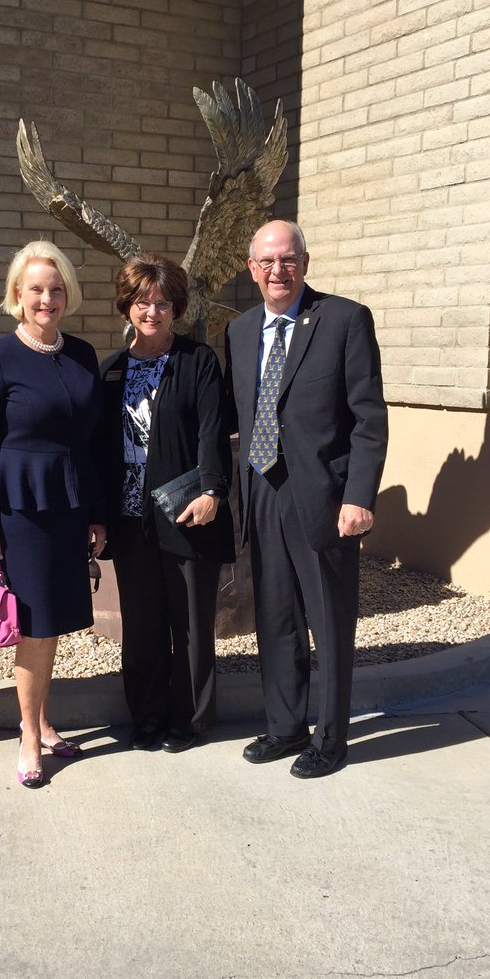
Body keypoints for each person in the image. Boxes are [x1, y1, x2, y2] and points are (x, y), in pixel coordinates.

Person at [224, 220, 388, 778]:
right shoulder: (240, 331)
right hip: (262, 489)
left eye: (289, 259)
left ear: (306, 263)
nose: (279, 270)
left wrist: (359, 496)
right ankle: (285, 726)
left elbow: (369, 419)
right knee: (276, 616)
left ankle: (332, 739)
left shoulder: (344, 320)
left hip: (323, 497)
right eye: (268, 261)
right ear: (252, 269)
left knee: (329, 620)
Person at [0, 240, 105, 790]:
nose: (47, 299)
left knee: (51, 624)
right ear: (17, 296)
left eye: (56, 289)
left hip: (69, 505)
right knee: (33, 625)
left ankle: (44, 722)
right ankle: (27, 735)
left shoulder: (83, 354)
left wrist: (95, 513)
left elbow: (90, 441)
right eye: (36, 290)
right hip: (21, 509)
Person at [98, 254, 235, 753]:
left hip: (187, 514)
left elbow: (212, 433)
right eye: (141, 302)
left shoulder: (198, 362)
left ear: (176, 308)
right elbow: (100, 448)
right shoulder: (111, 371)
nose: (151, 311)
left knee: (191, 624)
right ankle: (147, 717)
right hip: (130, 520)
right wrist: (97, 516)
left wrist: (212, 491)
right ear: (126, 307)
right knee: (143, 627)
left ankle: (189, 720)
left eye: (161, 303)